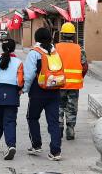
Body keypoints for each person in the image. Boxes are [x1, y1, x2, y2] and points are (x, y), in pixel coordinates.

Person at [22, 26, 63, 161]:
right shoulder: (55, 51)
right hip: (54, 90)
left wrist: (24, 89)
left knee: (32, 117)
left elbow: (29, 75)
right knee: (54, 122)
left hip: (38, 92)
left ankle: (36, 145)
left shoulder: (34, 53)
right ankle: (55, 152)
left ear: (36, 38)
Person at [0, 38, 23, 160]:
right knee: (10, 121)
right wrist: (20, 88)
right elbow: (20, 81)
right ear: (14, 48)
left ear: (2, 48)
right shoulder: (18, 62)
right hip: (12, 94)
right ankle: (11, 145)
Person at [55, 21, 88, 140]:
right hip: (74, 85)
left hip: (58, 84)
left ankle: (58, 128)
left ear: (62, 34)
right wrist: (79, 76)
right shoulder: (79, 49)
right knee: (72, 107)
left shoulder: (55, 48)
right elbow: (85, 67)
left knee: (59, 106)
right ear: (74, 35)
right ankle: (70, 129)